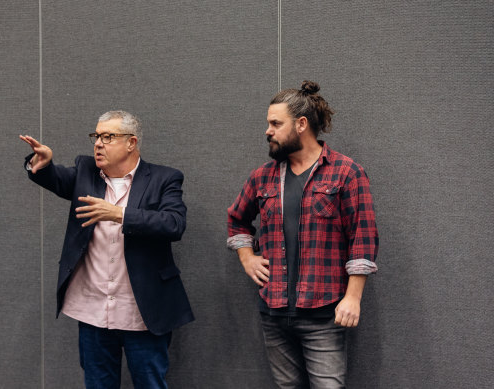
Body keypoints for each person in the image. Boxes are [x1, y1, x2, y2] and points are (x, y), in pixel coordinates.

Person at [20, 110, 194, 389]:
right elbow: (56, 178)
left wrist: (119, 214)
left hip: (142, 312)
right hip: (93, 312)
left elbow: (174, 224)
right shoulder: (85, 173)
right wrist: (41, 165)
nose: (98, 143)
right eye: (96, 136)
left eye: (108, 137)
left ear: (131, 142)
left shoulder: (164, 178)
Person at [227, 81, 379, 388]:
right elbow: (237, 220)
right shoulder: (262, 177)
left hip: (324, 314)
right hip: (274, 311)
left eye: (275, 123)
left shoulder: (345, 172)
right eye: (268, 123)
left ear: (301, 124)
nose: (267, 131)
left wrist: (353, 298)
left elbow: (363, 237)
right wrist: (247, 258)